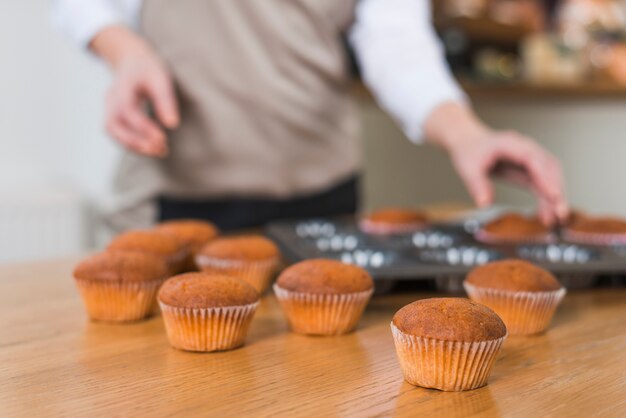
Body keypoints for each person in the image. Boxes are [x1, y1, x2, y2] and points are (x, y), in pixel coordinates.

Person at [52, 0, 568, 231]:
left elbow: (395, 40)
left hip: (320, 198)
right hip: (171, 193)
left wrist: (466, 134)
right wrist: (127, 53)